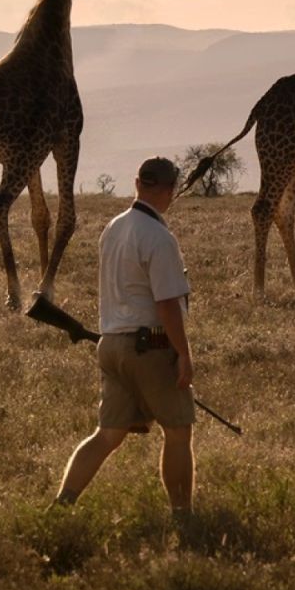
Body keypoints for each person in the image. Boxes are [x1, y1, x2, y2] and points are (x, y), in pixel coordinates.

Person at [55, 156, 195, 519]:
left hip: (110, 344)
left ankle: (61, 506)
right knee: (178, 431)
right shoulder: (159, 238)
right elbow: (166, 304)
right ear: (169, 190)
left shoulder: (113, 228)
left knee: (107, 436)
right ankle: (183, 517)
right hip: (150, 346)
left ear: (137, 183)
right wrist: (184, 353)